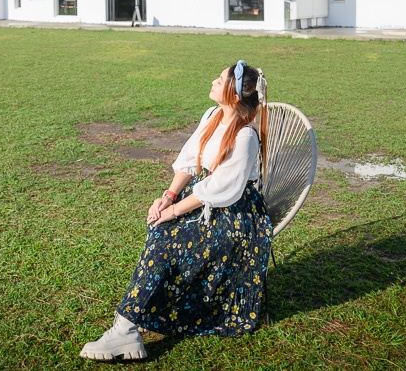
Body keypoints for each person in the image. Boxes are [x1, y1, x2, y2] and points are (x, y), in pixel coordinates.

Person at [80, 60, 272, 362]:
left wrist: (175, 212)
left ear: (234, 95)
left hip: (234, 214)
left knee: (170, 238)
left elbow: (220, 189)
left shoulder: (245, 136)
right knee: (161, 228)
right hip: (204, 197)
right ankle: (129, 325)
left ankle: (126, 328)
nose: (213, 81)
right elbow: (190, 157)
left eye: (219, 80)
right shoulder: (213, 115)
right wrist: (168, 197)